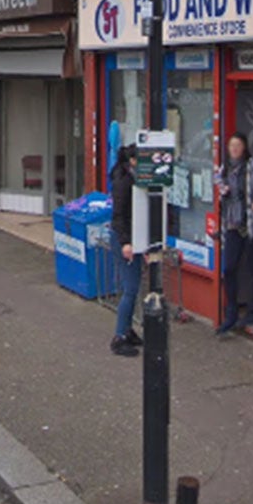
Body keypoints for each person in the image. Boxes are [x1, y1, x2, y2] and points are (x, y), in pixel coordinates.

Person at [214, 132, 253, 335]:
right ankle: (231, 313)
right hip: (233, 223)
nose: (235, 149)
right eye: (231, 146)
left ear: (245, 147)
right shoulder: (226, 168)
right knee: (229, 267)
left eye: (238, 145)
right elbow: (219, 187)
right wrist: (222, 191)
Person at [107, 140, 144, 356]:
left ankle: (128, 330)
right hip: (126, 239)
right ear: (132, 161)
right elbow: (118, 215)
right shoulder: (124, 182)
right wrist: (125, 243)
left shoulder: (131, 178)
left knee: (133, 286)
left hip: (133, 238)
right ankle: (119, 336)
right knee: (130, 289)